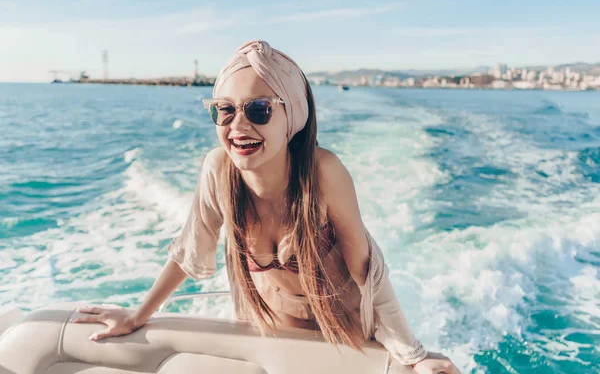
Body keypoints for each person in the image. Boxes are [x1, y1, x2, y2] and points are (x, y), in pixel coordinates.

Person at [73, 40, 460, 374]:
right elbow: (191, 246)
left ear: (290, 116)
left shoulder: (323, 173)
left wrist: (414, 354)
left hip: (345, 331)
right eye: (224, 109)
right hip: (274, 327)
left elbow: (366, 268)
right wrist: (138, 315)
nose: (238, 125)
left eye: (258, 109)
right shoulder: (219, 171)